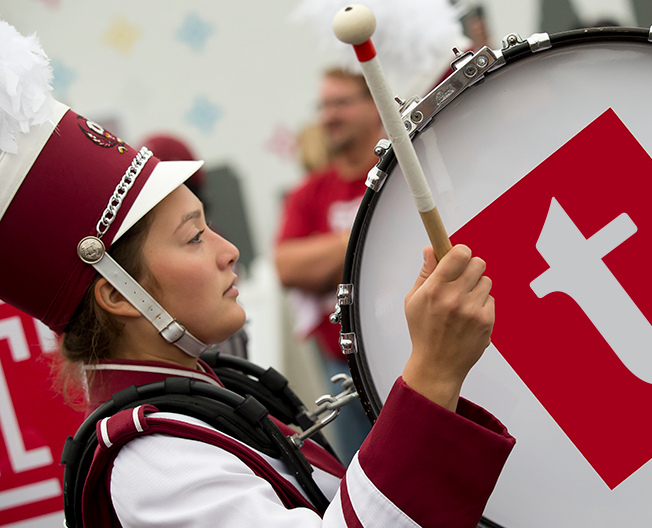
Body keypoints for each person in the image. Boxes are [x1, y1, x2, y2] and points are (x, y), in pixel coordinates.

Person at [0, 20, 513, 527]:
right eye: (194, 237)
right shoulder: (154, 464)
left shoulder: (199, 405)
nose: (229, 251)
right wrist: (433, 371)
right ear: (117, 294)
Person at [275, 67, 383, 465]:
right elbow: (286, 267)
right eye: (323, 105)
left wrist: (327, 259)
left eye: (341, 102)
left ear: (375, 106)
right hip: (344, 375)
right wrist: (368, 233)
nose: (329, 115)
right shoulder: (310, 193)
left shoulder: (401, 171)